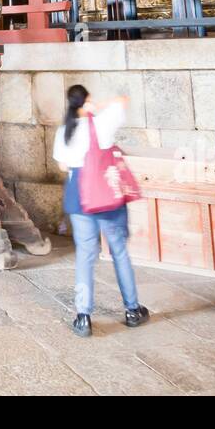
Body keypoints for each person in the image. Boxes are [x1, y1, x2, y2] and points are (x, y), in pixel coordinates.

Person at [52, 85, 150, 337]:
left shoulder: (65, 130)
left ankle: (83, 316)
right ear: (86, 102)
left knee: (85, 255)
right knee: (119, 252)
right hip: (105, 192)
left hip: (78, 194)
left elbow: (63, 165)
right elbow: (123, 99)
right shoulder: (102, 123)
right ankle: (131, 309)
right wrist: (99, 106)